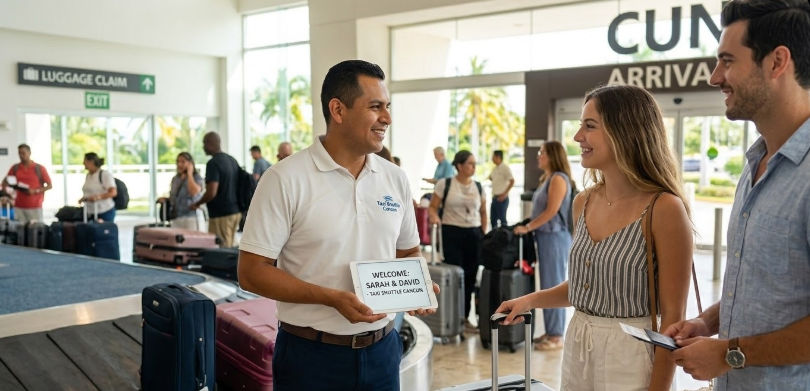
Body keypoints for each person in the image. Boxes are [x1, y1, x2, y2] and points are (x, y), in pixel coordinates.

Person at [238, 60, 437, 391]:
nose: (387, 118)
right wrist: (331, 298)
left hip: (383, 351)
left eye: (387, 107)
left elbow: (409, 251)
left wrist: (418, 285)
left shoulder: (394, 178)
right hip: (309, 357)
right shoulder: (285, 179)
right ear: (338, 110)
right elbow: (251, 272)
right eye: (375, 107)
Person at [496, 85, 693, 390]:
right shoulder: (582, 202)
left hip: (632, 356)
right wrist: (530, 300)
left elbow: (673, 321)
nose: (577, 137)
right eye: (580, 126)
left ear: (625, 131)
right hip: (578, 347)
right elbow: (585, 287)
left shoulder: (665, 208)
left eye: (589, 126)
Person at [663, 1, 810, 389]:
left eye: (727, 61)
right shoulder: (755, 163)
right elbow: (763, 290)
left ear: (777, 61)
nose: (715, 77)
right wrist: (707, 322)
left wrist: (730, 353)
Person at [513, 141, 575, 351]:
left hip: (555, 237)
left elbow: (550, 211)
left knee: (553, 284)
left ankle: (557, 335)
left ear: (553, 156)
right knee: (547, 284)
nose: (539, 156)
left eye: (542, 153)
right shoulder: (547, 178)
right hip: (546, 237)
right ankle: (550, 331)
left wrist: (528, 227)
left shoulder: (558, 179)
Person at [428, 149, 487, 330]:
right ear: (459, 166)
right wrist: (434, 218)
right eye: (470, 163)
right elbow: (433, 207)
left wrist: (483, 232)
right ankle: (452, 317)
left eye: (475, 164)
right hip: (451, 232)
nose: (474, 167)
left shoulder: (478, 187)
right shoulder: (445, 184)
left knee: (470, 276)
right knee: (454, 274)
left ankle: (464, 318)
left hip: (474, 234)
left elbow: (484, 212)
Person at [190, 132, 241, 248]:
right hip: (235, 211)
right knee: (231, 245)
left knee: (223, 250)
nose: (203, 147)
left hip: (221, 214)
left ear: (210, 143)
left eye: (204, 143)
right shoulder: (232, 160)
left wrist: (197, 203)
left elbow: (211, 192)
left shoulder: (213, 163)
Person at [1, 144, 52, 223]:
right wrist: (8, 195)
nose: (21, 155)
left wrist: (35, 191)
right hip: (18, 206)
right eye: (19, 153)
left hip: (35, 206)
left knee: (34, 232)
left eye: (23, 153)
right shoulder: (15, 167)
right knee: (20, 231)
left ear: (29, 153)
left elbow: (49, 185)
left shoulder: (39, 168)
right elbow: (4, 182)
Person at [158, 152, 205, 230]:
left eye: (183, 162)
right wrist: (167, 199)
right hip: (176, 217)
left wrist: (189, 174)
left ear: (190, 163)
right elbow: (176, 197)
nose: (179, 164)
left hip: (191, 217)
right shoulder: (176, 179)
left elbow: (194, 192)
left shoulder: (196, 178)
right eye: (178, 162)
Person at [79, 152, 117, 222]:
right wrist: (84, 198)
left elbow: (113, 193)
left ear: (91, 162)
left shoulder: (104, 174)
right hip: (91, 212)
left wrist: (97, 197)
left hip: (105, 211)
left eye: (85, 161)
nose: (83, 163)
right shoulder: (89, 175)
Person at [487, 149, 514, 228]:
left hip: (502, 198)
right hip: (494, 197)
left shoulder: (505, 168)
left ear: (498, 157)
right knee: (493, 220)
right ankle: (493, 239)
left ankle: (504, 239)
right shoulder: (495, 168)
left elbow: (512, 181)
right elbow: (490, 178)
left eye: (493, 157)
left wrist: (505, 194)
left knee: (503, 221)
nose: (492, 159)